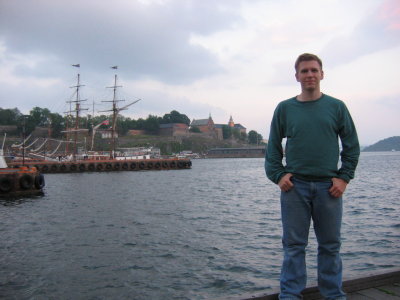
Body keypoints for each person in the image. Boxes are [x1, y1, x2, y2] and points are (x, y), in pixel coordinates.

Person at [265, 53, 360, 300]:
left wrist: (344, 177)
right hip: (294, 188)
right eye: (304, 71)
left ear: (322, 74)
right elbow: (272, 148)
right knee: (294, 247)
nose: (309, 75)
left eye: (314, 70)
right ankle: (290, 295)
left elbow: (351, 145)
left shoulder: (336, 107)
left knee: (330, 246)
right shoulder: (285, 108)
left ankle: (333, 295)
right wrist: (278, 175)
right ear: (297, 76)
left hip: (329, 187)